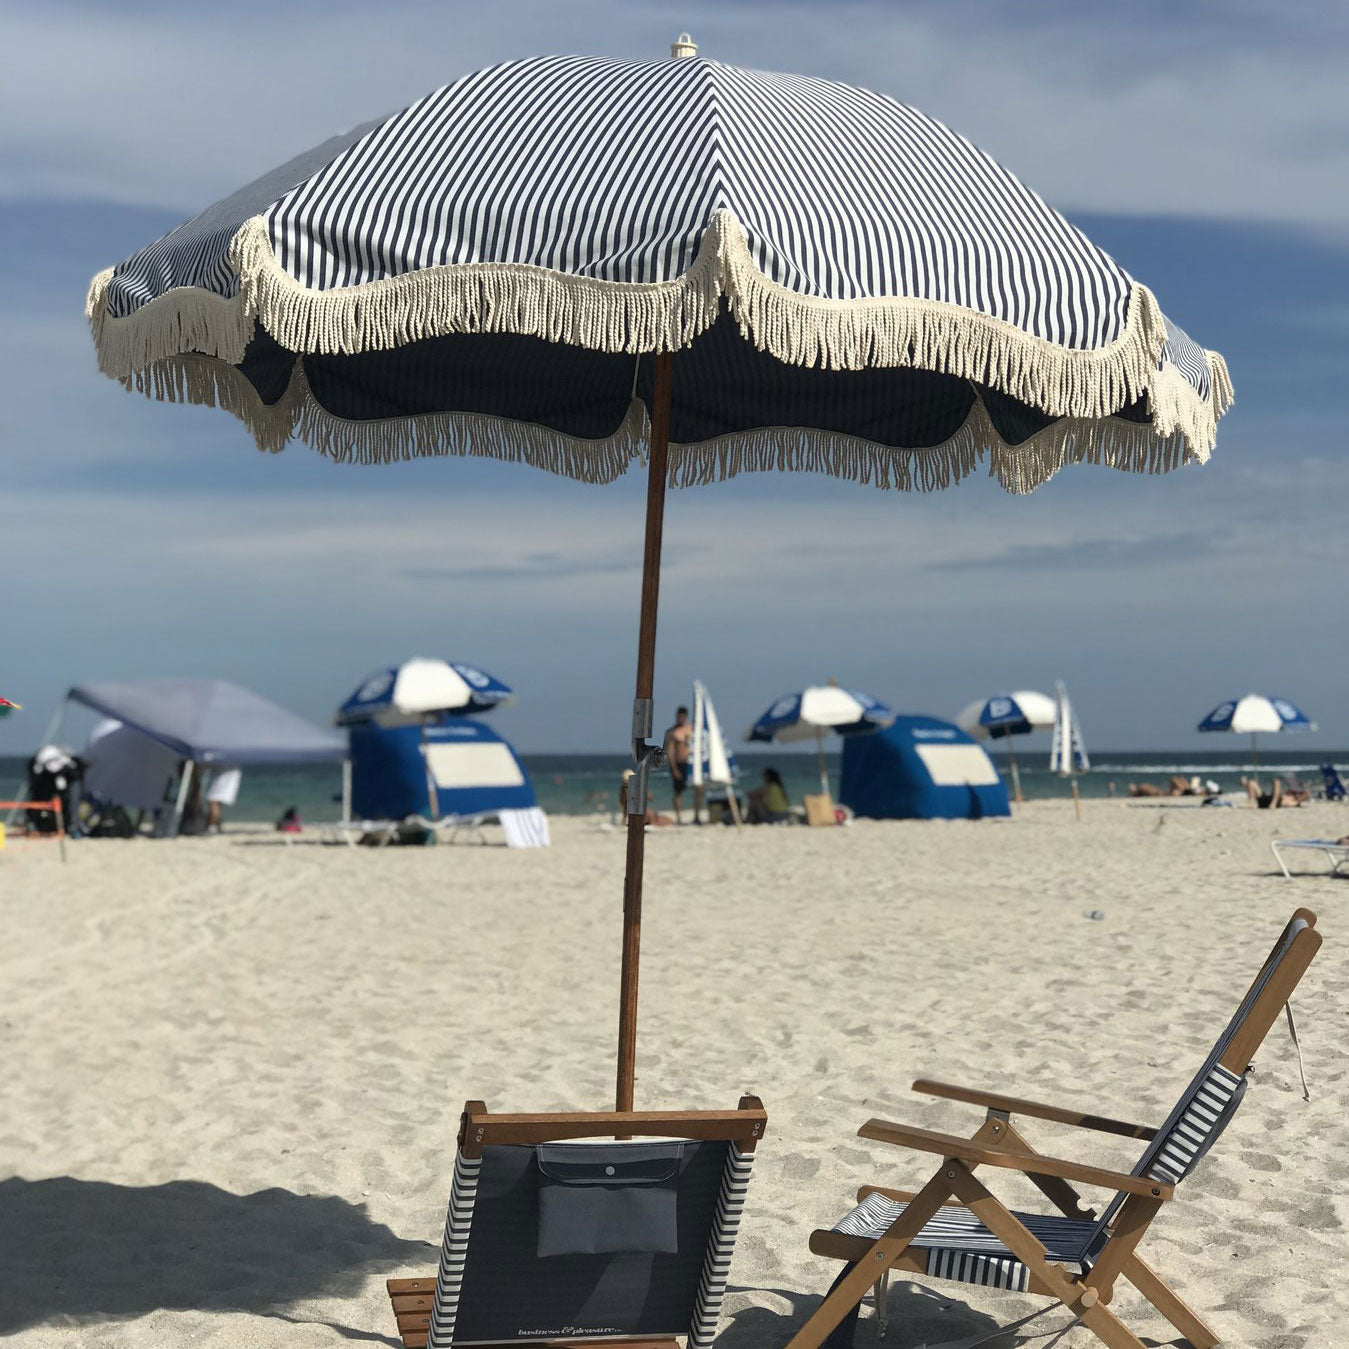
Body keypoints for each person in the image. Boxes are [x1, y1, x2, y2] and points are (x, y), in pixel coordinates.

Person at [662, 705, 697, 823]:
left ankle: (696, 815)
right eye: (678, 717)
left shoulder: (692, 729)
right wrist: (674, 768)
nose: (680, 719)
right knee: (678, 792)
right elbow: (670, 751)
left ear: (686, 717)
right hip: (679, 763)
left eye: (682, 717)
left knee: (698, 788)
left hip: (692, 763)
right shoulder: (673, 732)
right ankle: (679, 817)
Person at [206, 767, 242, 833]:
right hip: (226, 776)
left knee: (213, 801)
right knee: (216, 802)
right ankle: (216, 824)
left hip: (221, 777)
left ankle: (213, 825)